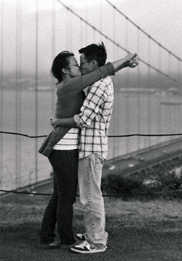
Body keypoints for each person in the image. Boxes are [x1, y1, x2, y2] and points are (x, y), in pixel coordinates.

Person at [37, 48, 137, 250]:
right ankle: (66, 239)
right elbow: (101, 72)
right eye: (76, 63)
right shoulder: (70, 85)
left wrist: (125, 64)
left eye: (81, 62)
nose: (80, 66)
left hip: (69, 146)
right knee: (66, 196)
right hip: (64, 146)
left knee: (61, 195)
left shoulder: (81, 84)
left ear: (92, 63)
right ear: (66, 70)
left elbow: (101, 72)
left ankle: (47, 235)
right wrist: (126, 60)